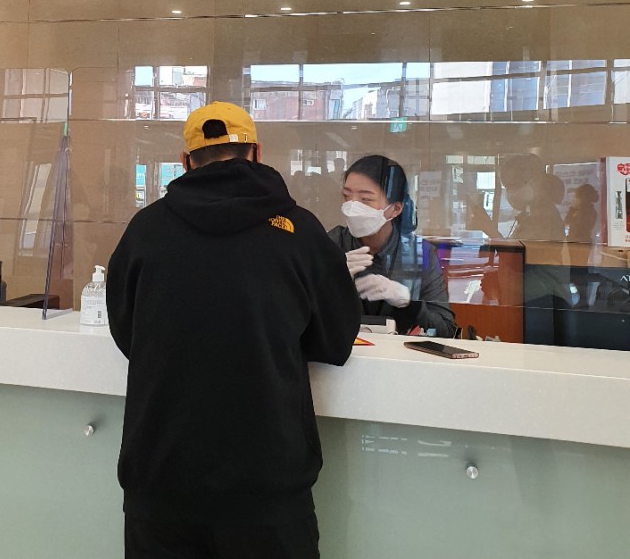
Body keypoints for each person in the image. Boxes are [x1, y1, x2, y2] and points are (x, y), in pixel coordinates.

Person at [106, 101, 361, 559]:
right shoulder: (300, 232)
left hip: (161, 484)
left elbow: (128, 333)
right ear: (257, 153)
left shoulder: (145, 231)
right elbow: (335, 339)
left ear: (185, 162)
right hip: (267, 488)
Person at [327, 154, 456, 337]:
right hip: (341, 351)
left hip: (398, 353)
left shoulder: (419, 253)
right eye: (347, 196)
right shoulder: (331, 244)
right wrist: (328, 282)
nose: (352, 207)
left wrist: (409, 303)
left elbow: (445, 330)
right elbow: (301, 316)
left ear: (395, 209)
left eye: (365, 199)